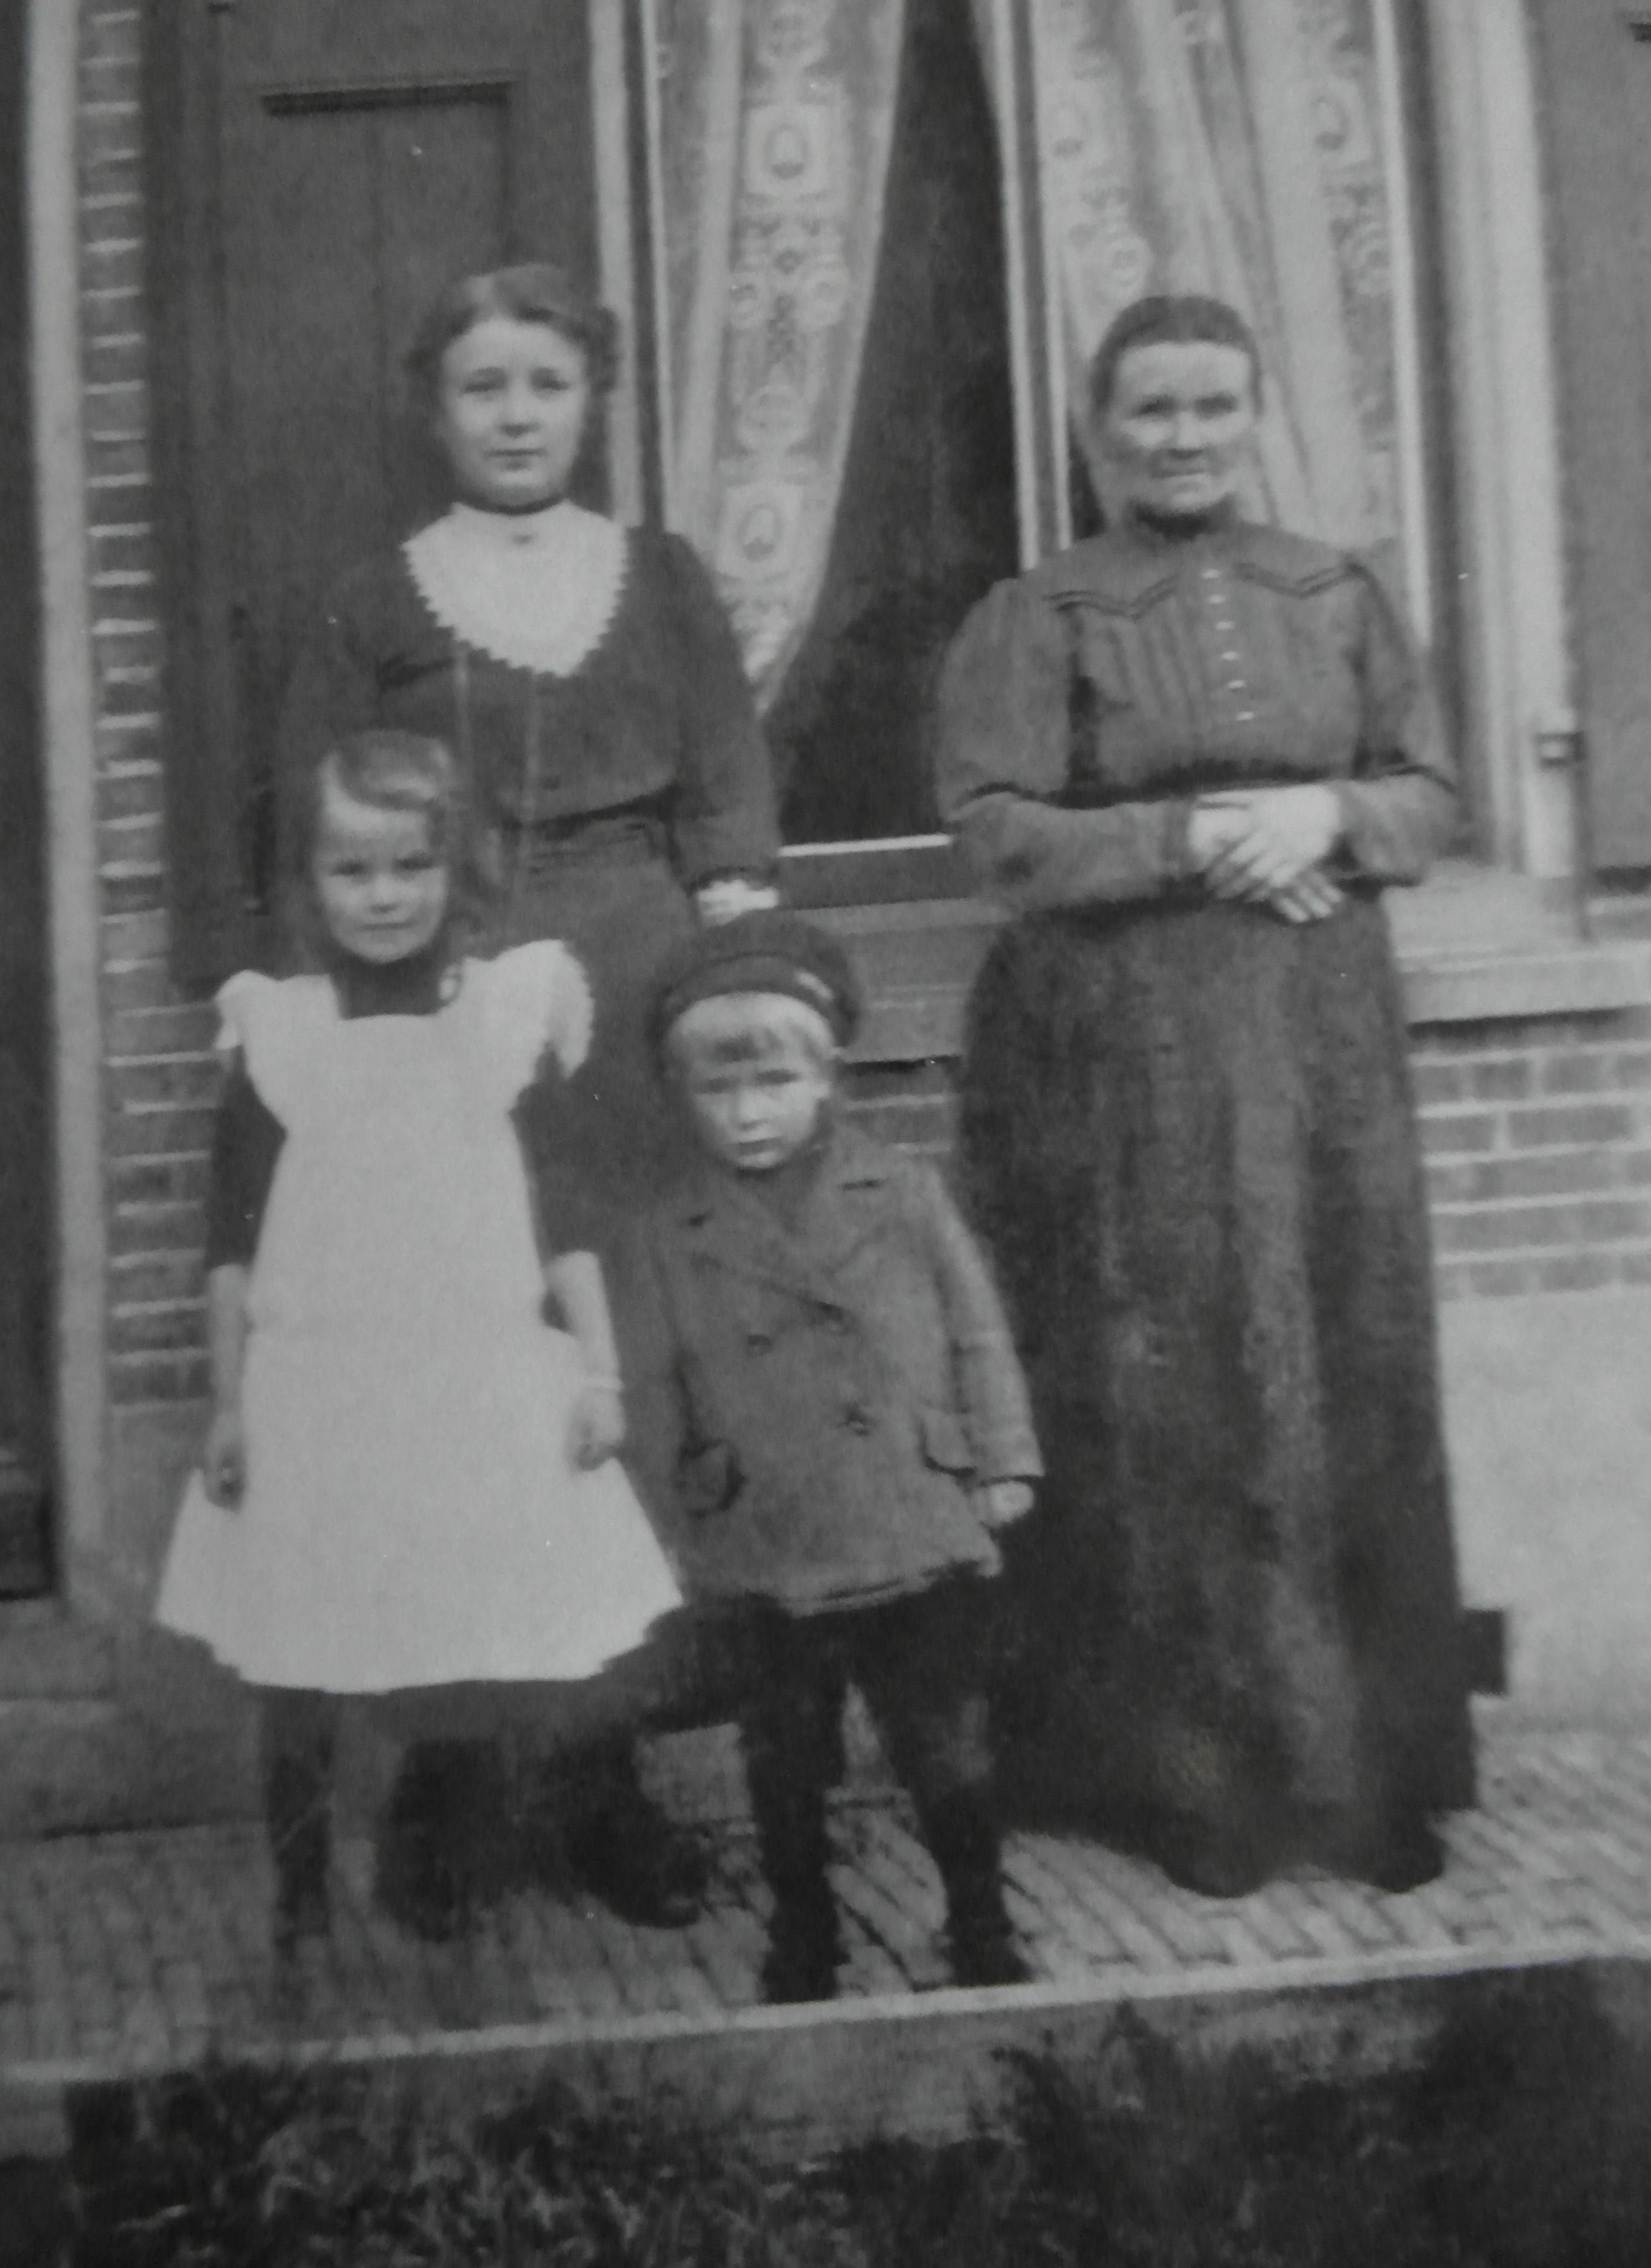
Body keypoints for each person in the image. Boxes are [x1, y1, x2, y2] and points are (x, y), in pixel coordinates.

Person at [935, 293, 1475, 1900]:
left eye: (1213, 407)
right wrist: (1192, 842)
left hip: (1322, 1042)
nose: (1184, 438)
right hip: (1134, 1043)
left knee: (1345, 1360)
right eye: (1151, 412)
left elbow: (1433, 795)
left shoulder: (1336, 588)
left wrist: (1328, 818)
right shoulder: (1039, 613)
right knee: (1176, 1389)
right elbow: (997, 833)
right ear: (1099, 434)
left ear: (1255, 416)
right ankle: (1201, 1781)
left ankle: (1368, 1775)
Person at [277, 261, 782, 1920]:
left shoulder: (664, 581)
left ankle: (604, 1779)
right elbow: (317, 840)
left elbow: (728, 817)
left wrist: (724, 1003)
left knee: (623, 1375)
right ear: (435, 411)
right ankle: (450, 1788)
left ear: (592, 403)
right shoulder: (372, 605)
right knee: (458, 1380)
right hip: (447, 1005)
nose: (515, 416)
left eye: (546, 385)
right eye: (482, 386)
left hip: (637, 1005)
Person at [154, 730, 683, 1955]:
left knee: (475, 1628)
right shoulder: (276, 1032)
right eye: (351, 871)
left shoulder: (502, 1018)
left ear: (458, 869)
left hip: (473, 1378)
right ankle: (298, 1900)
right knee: (297, 1646)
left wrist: (598, 1373)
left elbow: (566, 1222)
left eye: (410, 866)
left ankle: (448, 1870)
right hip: (320, 1384)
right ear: (308, 880)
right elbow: (230, 1247)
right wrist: (228, 1404)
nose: (384, 897)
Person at [626, 911, 1042, 2001]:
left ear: (826, 1080)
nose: (748, 1113)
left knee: (945, 1744)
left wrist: (1001, 1456)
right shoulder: (672, 1228)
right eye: (719, 1090)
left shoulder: (899, 1192)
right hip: (768, 1530)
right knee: (782, 1755)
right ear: (681, 1096)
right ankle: (803, 1936)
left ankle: (982, 1922)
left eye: (774, 1082)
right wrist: (664, 1521)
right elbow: (656, 1385)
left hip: (908, 1507)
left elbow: (976, 1328)